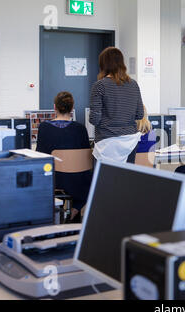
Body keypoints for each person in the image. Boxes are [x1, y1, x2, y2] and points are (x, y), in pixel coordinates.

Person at [36, 92, 92, 223]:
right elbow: (85, 158)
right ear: (72, 108)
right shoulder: (80, 128)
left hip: (56, 181)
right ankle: (76, 208)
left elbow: (40, 155)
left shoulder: (44, 127)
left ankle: (55, 213)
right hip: (77, 184)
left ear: (54, 107)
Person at [90, 47, 144, 164]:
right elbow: (140, 114)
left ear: (103, 64)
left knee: (103, 182)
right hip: (130, 143)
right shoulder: (134, 84)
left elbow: (94, 119)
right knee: (126, 181)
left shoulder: (100, 85)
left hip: (107, 144)